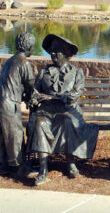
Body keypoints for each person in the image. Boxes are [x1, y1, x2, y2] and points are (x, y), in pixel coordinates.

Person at [26, 34, 99, 186]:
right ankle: (43, 169)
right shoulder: (43, 73)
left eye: (56, 51)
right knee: (39, 124)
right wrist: (34, 99)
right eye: (51, 50)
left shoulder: (76, 73)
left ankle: (70, 162)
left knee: (67, 120)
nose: (52, 54)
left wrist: (50, 97)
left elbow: (73, 96)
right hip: (46, 112)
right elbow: (35, 94)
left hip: (69, 111)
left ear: (66, 54)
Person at [0, 31, 36, 176]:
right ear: (29, 47)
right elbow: (31, 85)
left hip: (2, 100)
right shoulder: (24, 62)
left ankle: (4, 164)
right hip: (10, 102)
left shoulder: (9, 61)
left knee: (3, 134)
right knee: (15, 134)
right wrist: (32, 96)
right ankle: (19, 167)